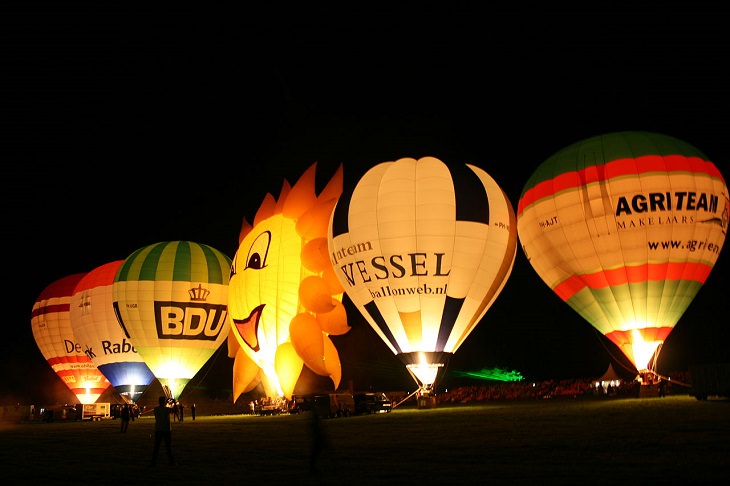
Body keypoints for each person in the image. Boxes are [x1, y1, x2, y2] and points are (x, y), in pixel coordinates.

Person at [150, 396, 176, 466]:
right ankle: (171, 462)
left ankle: (153, 462)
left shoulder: (156, 409)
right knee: (168, 447)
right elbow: (175, 410)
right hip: (166, 430)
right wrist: (174, 403)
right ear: (164, 402)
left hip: (158, 429)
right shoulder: (167, 409)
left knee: (156, 447)